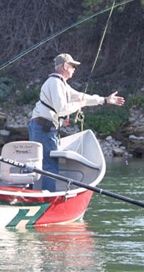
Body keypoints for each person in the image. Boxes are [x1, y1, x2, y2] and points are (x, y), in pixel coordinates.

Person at [29, 53, 125, 191]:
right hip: (44, 127)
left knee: (38, 162)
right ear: (65, 66)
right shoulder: (55, 83)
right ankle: (46, 196)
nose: (74, 69)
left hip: (41, 126)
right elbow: (62, 110)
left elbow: (81, 96)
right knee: (49, 165)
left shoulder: (61, 84)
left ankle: (35, 192)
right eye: (73, 66)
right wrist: (79, 105)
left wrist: (104, 100)